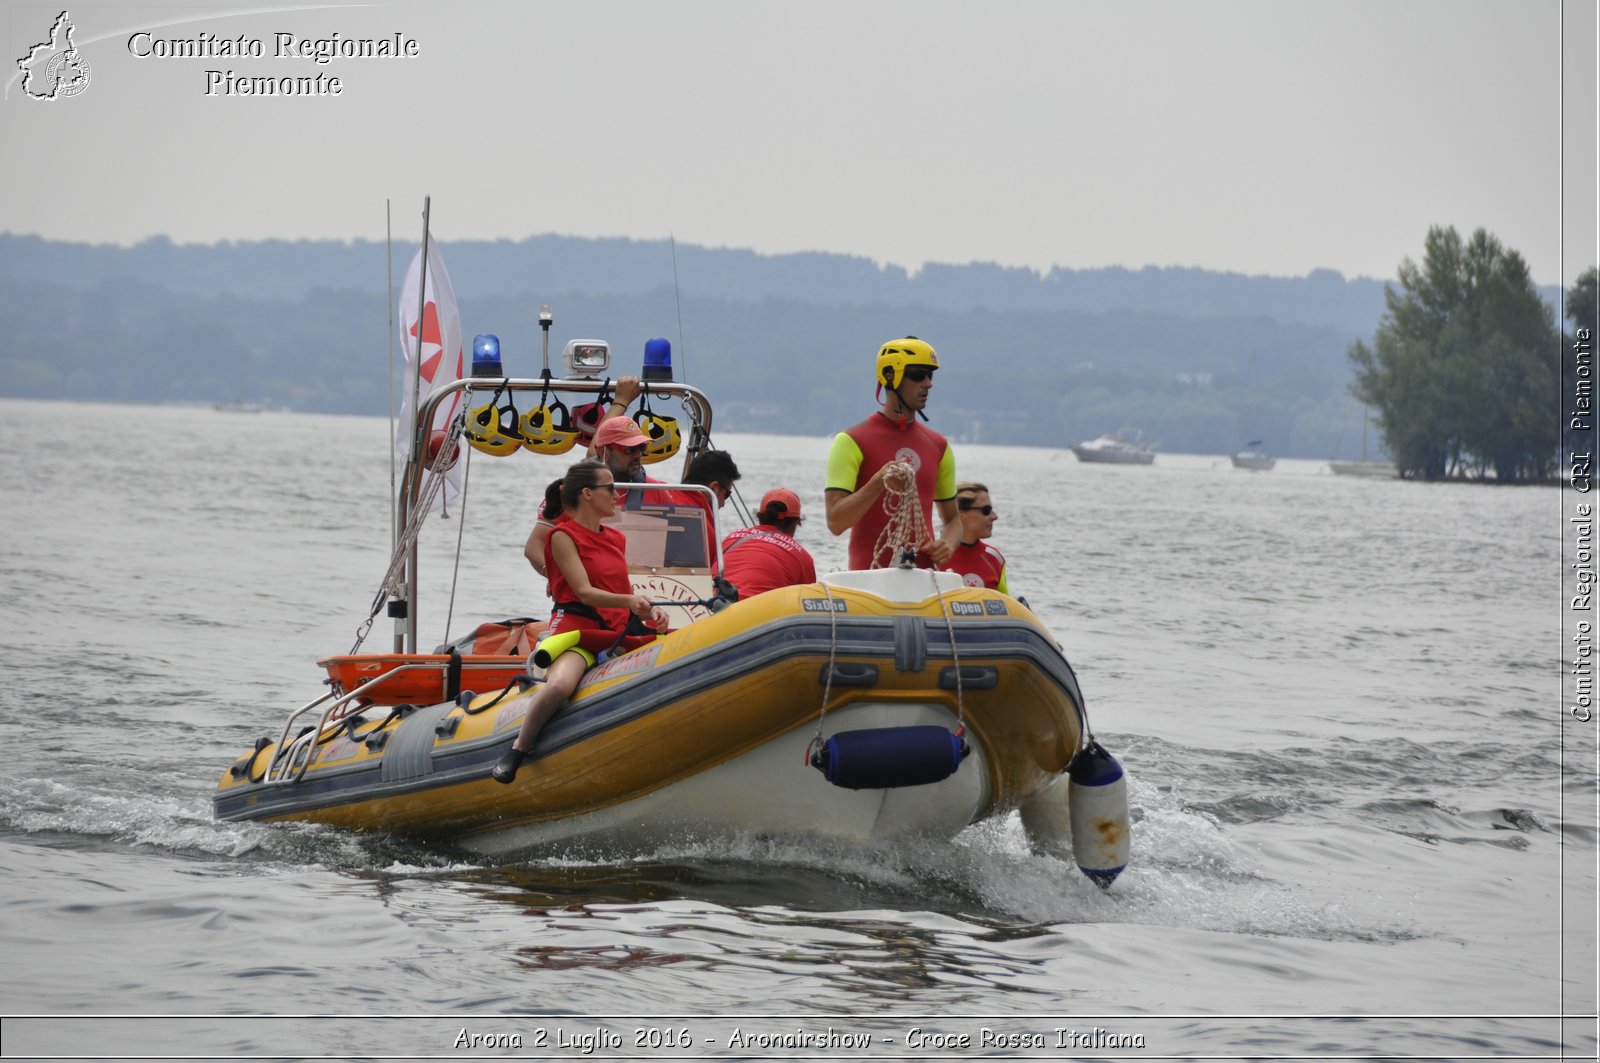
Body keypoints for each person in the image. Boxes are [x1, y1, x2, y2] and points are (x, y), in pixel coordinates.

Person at [493, 461, 669, 784]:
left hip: (616, 629)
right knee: (560, 684)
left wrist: (647, 612)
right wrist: (629, 601)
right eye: (611, 488)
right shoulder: (562, 536)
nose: (618, 494)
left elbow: (621, 591)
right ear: (587, 494)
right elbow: (586, 593)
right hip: (578, 630)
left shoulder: (616, 538)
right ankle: (518, 748)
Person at [824, 336, 961, 570]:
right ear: (890, 376)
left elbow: (954, 521)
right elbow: (836, 522)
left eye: (930, 375)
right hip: (868, 579)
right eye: (918, 375)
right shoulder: (851, 441)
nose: (928, 383)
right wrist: (878, 481)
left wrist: (948, 543)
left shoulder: (939, 446)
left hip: (924, 578)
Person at [720, 488, 817, 599]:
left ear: (760, 517)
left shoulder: (731, 538)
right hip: (751, 611)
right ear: (795, 523)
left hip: (708, 604)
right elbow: (808, 601)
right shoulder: (802, 557)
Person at [943, 481, 1009, 594]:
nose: (994, 516)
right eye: (986, 510)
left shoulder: (995, 558)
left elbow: (1006, 604)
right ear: (960, 514)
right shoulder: (934, 555)